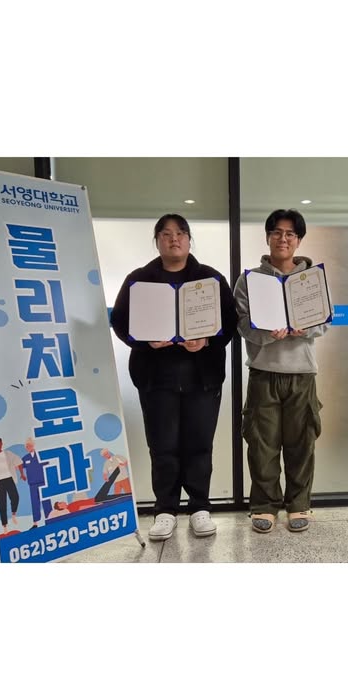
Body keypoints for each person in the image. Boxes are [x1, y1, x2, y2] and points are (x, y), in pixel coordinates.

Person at [110, 214, 237, 541]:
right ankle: (165, 510)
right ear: (157, 241)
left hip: (202, 377)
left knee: (199, 444)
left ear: (189, 240)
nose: (174, 239)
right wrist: (145, 341)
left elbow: (230, 322)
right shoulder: (140, 280)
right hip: (156, 378)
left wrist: (206, 340)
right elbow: (120, 322)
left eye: (180, 233)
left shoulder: (210, 279)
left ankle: (199, 508)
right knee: (162, 446)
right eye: (166, 234)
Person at [234, 209, 330, 533]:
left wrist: (305, 329)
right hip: (264, 372)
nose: (283, 239)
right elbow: (242, 324)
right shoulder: (250, 280)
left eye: (290, 234)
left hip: (302, 373)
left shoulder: (312, 279)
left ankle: (299, 504)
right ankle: (264, 506)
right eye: (276, 232)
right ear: (267, 237)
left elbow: (324, 321)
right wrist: (266, 333)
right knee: (262, 444)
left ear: (298, 240)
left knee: (302, 443)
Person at [0, 437, 25, 534]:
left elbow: (19, 461)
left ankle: (13, 513)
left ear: (2, 443)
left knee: (15, 497)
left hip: (9, 479)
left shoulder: (8, 454)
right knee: (2, 504)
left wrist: (22, 474)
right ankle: (4, 525)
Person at [22, 438, 51, 529]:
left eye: (30, 445)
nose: (28, 447)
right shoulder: (25, 458)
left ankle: (50, 519)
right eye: (27, 446)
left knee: (46, 501)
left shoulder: (40, 455)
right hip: (32, 484)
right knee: (34, 503)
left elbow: (48, 463)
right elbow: (19, 466)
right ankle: (35, 523)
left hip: (42, 482)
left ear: (33, 445)